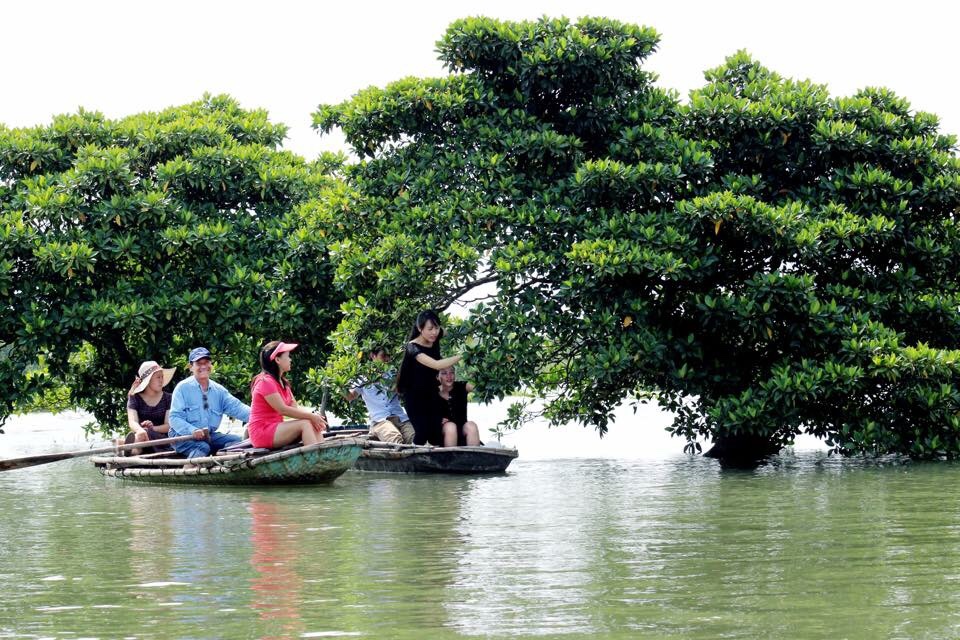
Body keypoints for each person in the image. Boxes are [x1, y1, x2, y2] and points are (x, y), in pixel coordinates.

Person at [169, 347, 249, 458]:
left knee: (240, 442)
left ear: (211, 365)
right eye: (199, 363)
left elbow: (238, 408)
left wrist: (260, 416)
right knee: (202, 447)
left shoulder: (219, 391)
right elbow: (174, 418)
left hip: (209, 436)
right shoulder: (182, 388)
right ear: (191, 367)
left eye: (206, 362)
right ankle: (188, 472)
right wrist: (192, 430)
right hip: (181, 437)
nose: (203, 366)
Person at [396, 310, 462, 446]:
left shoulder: (436, 335)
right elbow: (437, 365)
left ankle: (441, 461)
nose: (434, 332)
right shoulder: (412, 347)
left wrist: (483, 323)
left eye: (436, 328)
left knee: (436, 433)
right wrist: (463, 355)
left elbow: (457, 330)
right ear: (420, 329)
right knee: (422, 432)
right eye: (430, 329)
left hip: (432, 394)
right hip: (414, 397)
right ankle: (412, 458)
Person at [247, 341, 327, 449]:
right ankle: (316, 458)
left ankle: (323, 456)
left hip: (275, 428)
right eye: (288, 356)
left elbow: (294, 407)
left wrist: (314, 415)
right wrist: (311, 417)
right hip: (262, 432)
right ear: (277, 360)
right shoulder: (265, 382)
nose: (290, 359)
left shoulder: (283, 382)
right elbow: (283, 410)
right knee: (305, 423)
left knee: (311, 422)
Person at [346, 347, 415, 444]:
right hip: (380, 421)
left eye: (388, 356)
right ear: (373, 356)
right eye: (383, 356)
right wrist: (339, 385)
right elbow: (350, 396)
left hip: (401, 418)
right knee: (395, 439)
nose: (387, 359)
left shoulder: (395, 374)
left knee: (415, 439)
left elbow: (405, 390)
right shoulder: (363, 378)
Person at [124, 360, 176, 455]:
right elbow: (132, 421)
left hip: (163, 441)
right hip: (141, 439)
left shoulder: (168, 398)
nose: (161, 380)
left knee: (145, 433)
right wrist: (140, 430)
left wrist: (152, 428)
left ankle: (131, 450)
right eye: (158, 377)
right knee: (139, 436)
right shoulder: (134, 398)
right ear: (148, 381)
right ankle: (132, 450)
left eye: (162, 377)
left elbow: (169, 426)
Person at [437, 366, 481, 447]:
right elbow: (421, 413)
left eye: (452, 372)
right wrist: (435, 419)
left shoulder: (462, 386)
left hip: (462, 430)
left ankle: (474, 458)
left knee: (471, 425)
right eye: (444, 373)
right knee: (451, 427)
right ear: (437, 377)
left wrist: (476, 377)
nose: (449, 376)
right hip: (441, 434)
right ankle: (451, 458)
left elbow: (480, 388)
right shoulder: (432, 392)